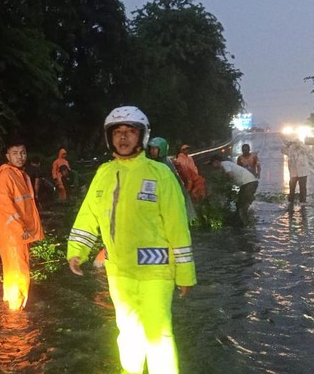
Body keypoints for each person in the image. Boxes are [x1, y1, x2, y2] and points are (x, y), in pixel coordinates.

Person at [67, 106, 196, 374]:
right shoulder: (103, 173)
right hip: (119, 272)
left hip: (156, 272)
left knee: (158, 335)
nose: (123, 138)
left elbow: (177, 227)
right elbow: (89, 214)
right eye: (117, 132)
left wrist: (185, 273)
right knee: (127, 334)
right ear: (109, 138)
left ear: (142, 137)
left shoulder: (160, 174)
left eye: (130, 132)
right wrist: (77, 249)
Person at [0, 140, 44, 311]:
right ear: (7, 156)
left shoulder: (20, 174)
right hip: (13, 236)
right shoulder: (6, 176)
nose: (20, 156)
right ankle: (15, 322)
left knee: (17, 272)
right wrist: (20, 230)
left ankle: (13, 310)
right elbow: (6, 208)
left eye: (22, 152)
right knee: (18, 274)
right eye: (15, 153)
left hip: (19, 235)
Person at [147, 137, 197, 221]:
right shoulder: (160, 161)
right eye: (151, 148)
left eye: (155, 149)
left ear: (161, 149)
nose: (152, 151)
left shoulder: (164, 164)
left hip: (173, 197)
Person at [206, 154, 259, 225]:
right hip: (249, 183)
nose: (211, 167)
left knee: (242, 205)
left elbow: (230, 175)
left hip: (248, 183)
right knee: (241, 203)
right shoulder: (225, 165)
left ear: (216, 162)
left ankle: (246, 223)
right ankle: (245, 220)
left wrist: (226, 184)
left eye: (211, 164)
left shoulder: (224, 164)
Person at [281, 139, 310, 207]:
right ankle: (290, 200)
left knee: (302, 187)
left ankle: (303, 201)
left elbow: (308, 150)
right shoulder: (291, 149)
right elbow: (283, 151)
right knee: (292, 187)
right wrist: (288, 145)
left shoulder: (303, 149)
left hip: (303, 171)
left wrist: (300, 144)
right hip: (293, 171)